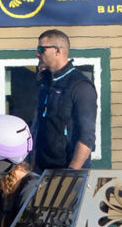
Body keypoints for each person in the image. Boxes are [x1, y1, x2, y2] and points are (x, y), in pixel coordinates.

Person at [30, 29, 97, 172]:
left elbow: (87, 137)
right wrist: (32, 167)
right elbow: (37, 129)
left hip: (67, 171)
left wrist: (70, 174)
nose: (37, 53)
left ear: (57, 51)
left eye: (41, 49)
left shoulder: (80, 86)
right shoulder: (45, 84)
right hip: (41, 171)